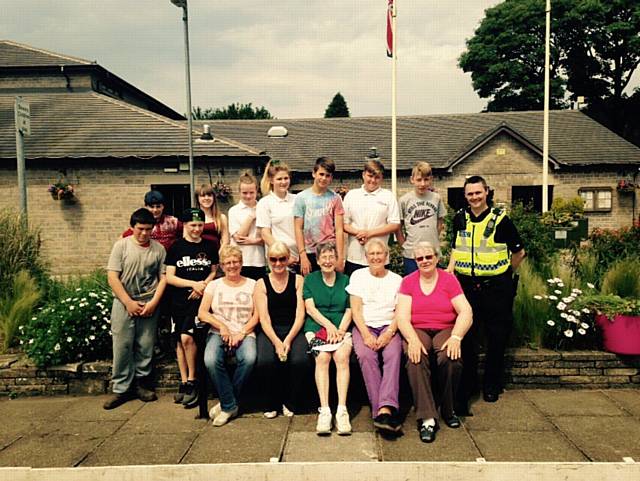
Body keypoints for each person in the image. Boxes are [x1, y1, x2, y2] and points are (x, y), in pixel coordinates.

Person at [447, 175, 526, 411]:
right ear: (465, 196)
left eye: (478, 193)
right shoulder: (460, 218)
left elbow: (519, 252)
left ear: (487, 192)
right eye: (470, 194)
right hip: (467, 287)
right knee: (468, 339)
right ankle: (470, 384)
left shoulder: (501, 220)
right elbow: (455, 247)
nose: (474, 197)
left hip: (496, 288)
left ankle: (492, 385)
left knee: (496, 339)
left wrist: (504, 274)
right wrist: (450, 270)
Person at [396, 241, 473, 443]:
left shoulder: (449, 280)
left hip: (445, 327)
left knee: (451, 357)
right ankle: (427, 418)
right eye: (420, 258)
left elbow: (466, 311)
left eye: (428, 257)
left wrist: (456, 337)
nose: (425, 261)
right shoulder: (408, 282)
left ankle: (448, 409)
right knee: (415, 358)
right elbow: (402, 316)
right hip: (418, 328)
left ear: (437, 258)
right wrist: (412, 339)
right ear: (415, 261)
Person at [104, 208, 167, 410]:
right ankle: (121, 389)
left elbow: (163, 278)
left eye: (148, 229)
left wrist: (153, 303)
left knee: (145, 344)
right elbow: (113, 277)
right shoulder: (121, 247)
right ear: (132, 228)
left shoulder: (158, 250)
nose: (144, 233)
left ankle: (142, 384)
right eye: (140, 229)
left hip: (148, 302)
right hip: (124, 302)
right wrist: (128, 302)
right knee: (122, 345)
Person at [346, 238, 403, 433]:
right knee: (365, 355)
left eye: (380, 254)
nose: (376, 257)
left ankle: (385, 407)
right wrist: (366, 335)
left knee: (393, 355)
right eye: (372, 254)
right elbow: (355, 309)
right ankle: (383, 410)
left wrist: (389, 334)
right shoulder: (358, 276)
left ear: (386, 256)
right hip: (365, 326)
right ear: (366, 257)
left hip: (389, 326)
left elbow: (399, 312)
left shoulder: (396, 280)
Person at [198, 246, 258, 426]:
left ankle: (226, 404)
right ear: (222, 266)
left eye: (236, 262)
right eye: (228, 263)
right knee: (210, 360)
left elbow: (258, 315)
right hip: (218, 332)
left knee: (249, 358)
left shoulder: (253, 284)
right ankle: (230, 404)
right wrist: (222, 326)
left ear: (241, 263)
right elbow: (202, 313)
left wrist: (242, 332)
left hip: (244, 332)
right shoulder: (214, 285)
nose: (232, 266)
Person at [165, 208, 218, 408]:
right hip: (180, 299)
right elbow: (169, 276)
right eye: (192, 225)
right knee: (180, 339)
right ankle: (185, 381)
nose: (196, 229)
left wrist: (202, 285)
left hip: (200, 300)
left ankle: (194, 381)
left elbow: (214, 271)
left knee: (189, 338)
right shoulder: (176, 247)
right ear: (185, 226)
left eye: (199, 225)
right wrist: (192, 284)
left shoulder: (210, 246)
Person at [303, 242, 353, 435]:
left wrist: (340, 329)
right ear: (317, 260)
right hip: (317, 326)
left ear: (337, 259)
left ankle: (342, 410)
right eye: (323, 257)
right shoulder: (310, 280)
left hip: (342, 326)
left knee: (341, 357)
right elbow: (310, 309)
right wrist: (329, 326)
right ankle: (325, 410)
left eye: (331, 257)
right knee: (322, 358)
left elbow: (350, 308)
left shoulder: (346, 280)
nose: (328, 261)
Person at [255, 241, 308, 418]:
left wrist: (288, 340)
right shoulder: (261, 283)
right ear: (268, 260)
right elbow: (264, 317)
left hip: (293, 328)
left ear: (288, 259)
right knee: (265, 361)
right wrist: (277, 342)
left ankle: (291, 401)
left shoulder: (298, 280)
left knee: (300, 360)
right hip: (270, 329)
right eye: (273, 259)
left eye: (282, 259)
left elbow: (300, 315)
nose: (278, 263)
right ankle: (271, 402)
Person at [342, 159, 400, 276]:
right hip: (355, 257)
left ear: (381, 178)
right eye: (369, 176)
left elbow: (394, 224)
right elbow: (343, 223)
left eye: (377, 177)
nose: (373, 180)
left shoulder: (388, 196)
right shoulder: (351, 195)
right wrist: (359, 233)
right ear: (363, 175)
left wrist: (369, 233)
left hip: (379, 257)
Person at [293, 157, 345, 275]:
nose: (323, 178)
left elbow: (339, 229)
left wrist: (340, 257)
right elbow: (298, 228)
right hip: (309, 252)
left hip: (329, 251)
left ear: (331, 178)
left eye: (327, 175)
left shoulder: (335, 198)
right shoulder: (301, 198)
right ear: (314, 173)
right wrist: (303, 255)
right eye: (321, 174)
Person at [397, 162, 447, 275]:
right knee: (413, 286)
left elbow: (440, 221)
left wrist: (433, 238)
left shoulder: (436, 198)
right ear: (412, 179)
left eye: (426, 179)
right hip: (411, 253)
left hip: (432, 252)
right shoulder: (404, 200)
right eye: (419, 180)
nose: (422, 184)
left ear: (431, 179)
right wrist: (403, 244)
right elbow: (398, 226)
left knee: (433, 286)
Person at [257, 159, 299, 271]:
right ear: (271, 180)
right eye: (279, 179)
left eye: (286, 178)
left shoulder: (297, 200)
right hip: (279, 259)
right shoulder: (265, 203)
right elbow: (265, 234)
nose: (283, 182)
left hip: (299, 257)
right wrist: (285, 256)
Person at [228, 171, 266, 280]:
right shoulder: (233, 211)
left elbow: (267, 236)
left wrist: (254, 241)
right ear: (239, 192)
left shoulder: (263, 208)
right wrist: (251, 216)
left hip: (259, 260)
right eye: (245, 193)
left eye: (251, 192)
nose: (248, 196)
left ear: (256, 191)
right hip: (239, 261)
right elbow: (239, 237)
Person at [196, 183, 230, 253]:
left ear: (213, 198)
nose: (206, 198)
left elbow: (226, 241)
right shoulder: (192, 217)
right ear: (197, 198)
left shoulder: (221, 218)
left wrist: (218, 255)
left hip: (216, 256)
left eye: (209, 195)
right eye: (203, 196)